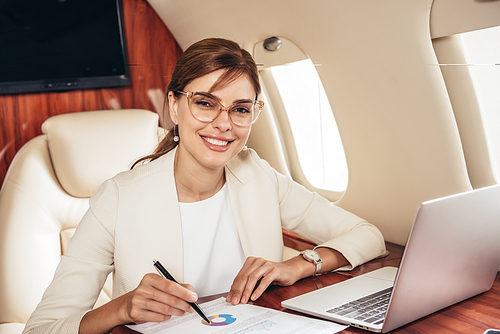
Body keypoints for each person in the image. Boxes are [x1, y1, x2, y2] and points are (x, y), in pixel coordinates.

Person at [23, 38, 386, 334]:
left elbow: (367, 235)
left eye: (240, 109)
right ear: (174, 107)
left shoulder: (259, 175)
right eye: (205, 104)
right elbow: (41, 329)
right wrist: (120, 308)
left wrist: (301, 265)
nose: (223, 124)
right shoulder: (117, 197)